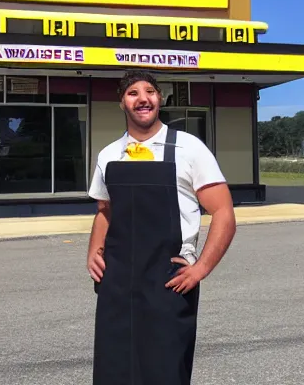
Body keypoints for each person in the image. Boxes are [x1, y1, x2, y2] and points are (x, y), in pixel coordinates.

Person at [87, 70, 237, 385]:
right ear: (121, 103)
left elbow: (223, 212)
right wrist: (93, 252)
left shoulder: (189, 148)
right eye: (133, 93)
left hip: (168, 280)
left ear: (159, 99)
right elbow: (105, 209)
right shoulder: (109, 154)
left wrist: (200, 269)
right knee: (114, 372)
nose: (143, 99)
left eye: (150, 92)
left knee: (165, 372)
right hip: (117, 282)